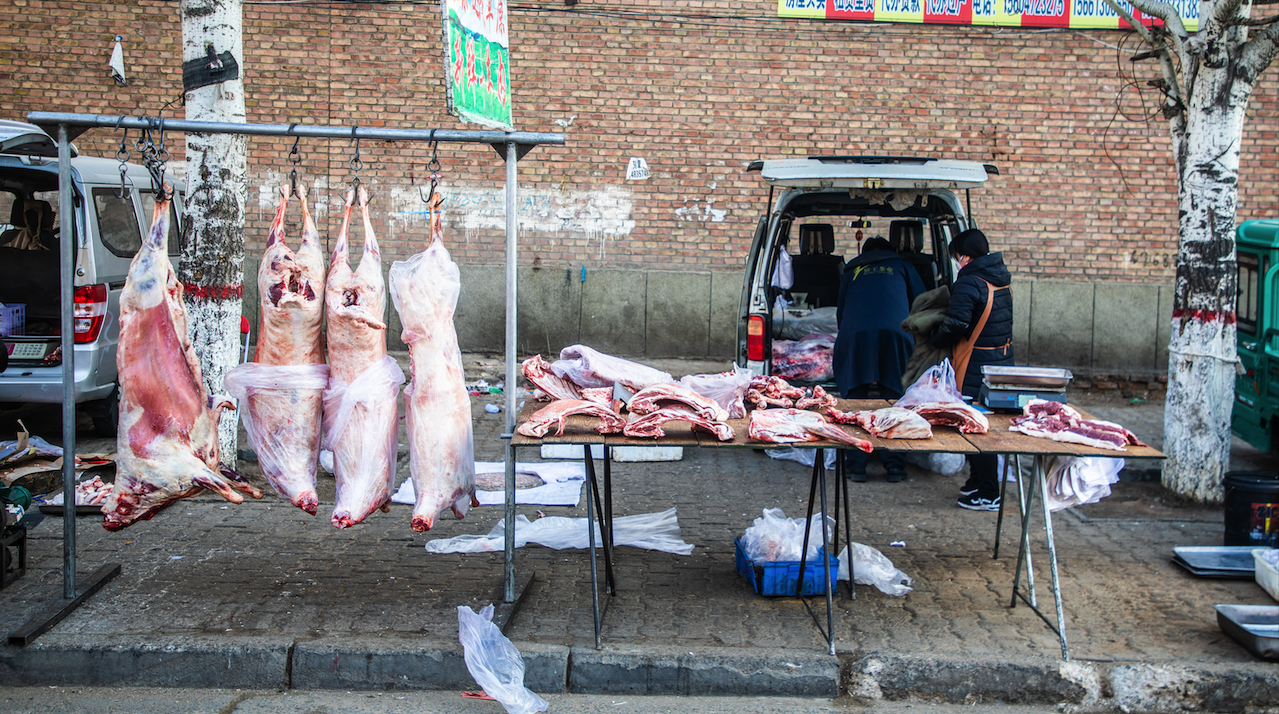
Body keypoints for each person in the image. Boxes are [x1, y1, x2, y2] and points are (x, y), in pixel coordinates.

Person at [930, 228, 1014, 511]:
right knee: (983, 421)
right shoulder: (1000, 278)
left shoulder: (970, 282)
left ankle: (989, 493)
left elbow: (957, 323)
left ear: (965, 256)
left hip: (975, 365)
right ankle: (978, 480)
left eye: (956, 256)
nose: (956, 261)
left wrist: (934, 340)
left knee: (977, 426)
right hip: (1001, 363)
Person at [833, 236, 925, 482]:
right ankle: (895, 466)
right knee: (894, 401)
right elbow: (922, 303)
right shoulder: (904, 266)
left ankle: (855, 466)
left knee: (856, 403)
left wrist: (850, 337)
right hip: (896, 336)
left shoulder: (853, 269)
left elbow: (840, 310)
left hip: (856, 336)